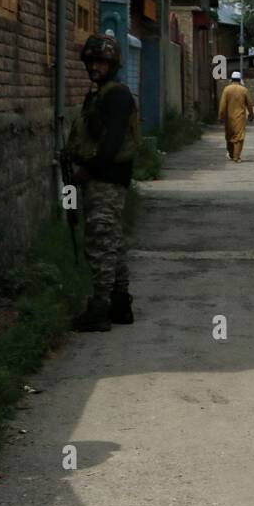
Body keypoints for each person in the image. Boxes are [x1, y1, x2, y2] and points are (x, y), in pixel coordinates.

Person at [64, 34, 140, 332]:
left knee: (100, 242)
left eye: (101, 62)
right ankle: (120, 304)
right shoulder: (99, 94)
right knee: (114, 242)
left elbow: (111, 144)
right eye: (91, 61)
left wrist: (89, 171)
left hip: (106, 180)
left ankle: (100, 307)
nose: (95, 67)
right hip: (101, 178)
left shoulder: (117, 96)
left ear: (113, 64)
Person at [218, 70, 254, 162]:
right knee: (239, 137)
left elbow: (222, 104)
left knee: (229, 136)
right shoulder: (244, 90)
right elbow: (249, 104)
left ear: (231, 79)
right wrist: (251, 114)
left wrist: (221, 116)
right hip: (240, 117)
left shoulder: (226, 89)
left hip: (228, 117)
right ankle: (236, 157)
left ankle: (230, 154)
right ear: (239, 79)